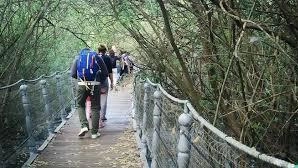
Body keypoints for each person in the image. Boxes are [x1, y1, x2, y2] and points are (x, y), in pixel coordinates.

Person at [70, 48, 108, 139]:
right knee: (95, 107)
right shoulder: (97, 57)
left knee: (80, 105)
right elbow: (105, 73)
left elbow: (73, 74)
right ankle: (94, 133)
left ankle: (84, 126)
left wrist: (81, 79)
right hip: (95, 84)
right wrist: (99, 80)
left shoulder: (78, 57)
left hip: (82, 84)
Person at [98, 45, 113, 127]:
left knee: (95, 99)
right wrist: (112, 82)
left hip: (95, 81)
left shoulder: (95, 57)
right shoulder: (107, 58)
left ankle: (95, 115)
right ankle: (102, 116)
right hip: (104, 80)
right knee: (103, 99)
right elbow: (110, 71)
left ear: (98, 50)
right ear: (105, 50)